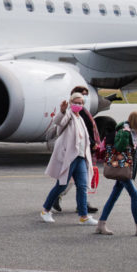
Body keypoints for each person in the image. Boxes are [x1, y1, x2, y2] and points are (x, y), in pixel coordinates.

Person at [95, 111, 137, 236]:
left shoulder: (136, 135)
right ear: (135, 122)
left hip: (125, 169)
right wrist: (124, 136)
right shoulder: (125, 132)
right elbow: (120, 147)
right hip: (122, 168)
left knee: (114, 196)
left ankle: (101, 224)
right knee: (135, 196)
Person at [40, 92, 97, 225]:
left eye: (81, 103)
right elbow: (59, 121)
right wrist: (62, 110)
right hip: (69, 157)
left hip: (81, 157)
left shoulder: (80, 118)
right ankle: (45, 210)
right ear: (71, 103)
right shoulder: (68, 115)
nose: (78, 105)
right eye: (76, 102)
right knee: (61, 185)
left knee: (82, 186)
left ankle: (84, 216)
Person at [54, 85, 102, 214]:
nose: (84, 97)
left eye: (85, 95)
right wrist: (92, 143)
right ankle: (55, 197)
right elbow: (81, 131)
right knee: (71, 179)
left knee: (82, 180)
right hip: (77, 150)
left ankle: (83, 205)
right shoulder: (74, 113)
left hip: (84, 149)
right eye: (82, 94)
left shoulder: (82, 111)